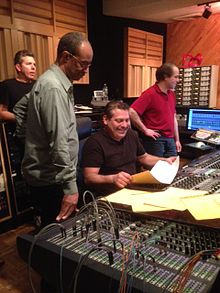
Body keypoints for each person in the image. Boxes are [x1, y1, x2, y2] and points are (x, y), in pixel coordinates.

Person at [22, 32, 93, 227]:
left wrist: (28, 136)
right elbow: (60, 142)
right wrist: (70, 188)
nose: (86, 70)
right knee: (56, 238)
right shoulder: (53, 87)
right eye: (83, 63)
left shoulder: (51, 81)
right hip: (52, 181)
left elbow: (21, 108)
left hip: (52, 177)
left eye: (89, 65)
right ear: (66, 57)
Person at [81, 100, 176, 196]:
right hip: (110, 195)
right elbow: (89, 178)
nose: (124, 125)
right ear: (106, 120)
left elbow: (143, 157)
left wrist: (163, 160)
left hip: (134, 189)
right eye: (119, 121)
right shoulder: (95, 142)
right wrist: (112, 179)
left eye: (127, 120)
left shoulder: (131, 134)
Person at [129, 63, 182, 157]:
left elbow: (173, 118)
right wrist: (145, 130)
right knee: (156, 170)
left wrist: (177, 140)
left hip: (170, 139)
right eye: (176, 77)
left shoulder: (171, 94)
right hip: (156, 140)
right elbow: (131, 111)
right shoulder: (149, 94)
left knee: (171, 168)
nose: (178, 80)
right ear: (166, 77)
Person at [0, 50, 36, 131]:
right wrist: (23, 119)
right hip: (16, 135)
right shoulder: (7, 85)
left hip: (37, 135)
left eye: (34, 64)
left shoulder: (38, 85)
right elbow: (1, 113)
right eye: (28, 64)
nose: (33, 67)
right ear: (18, 67)